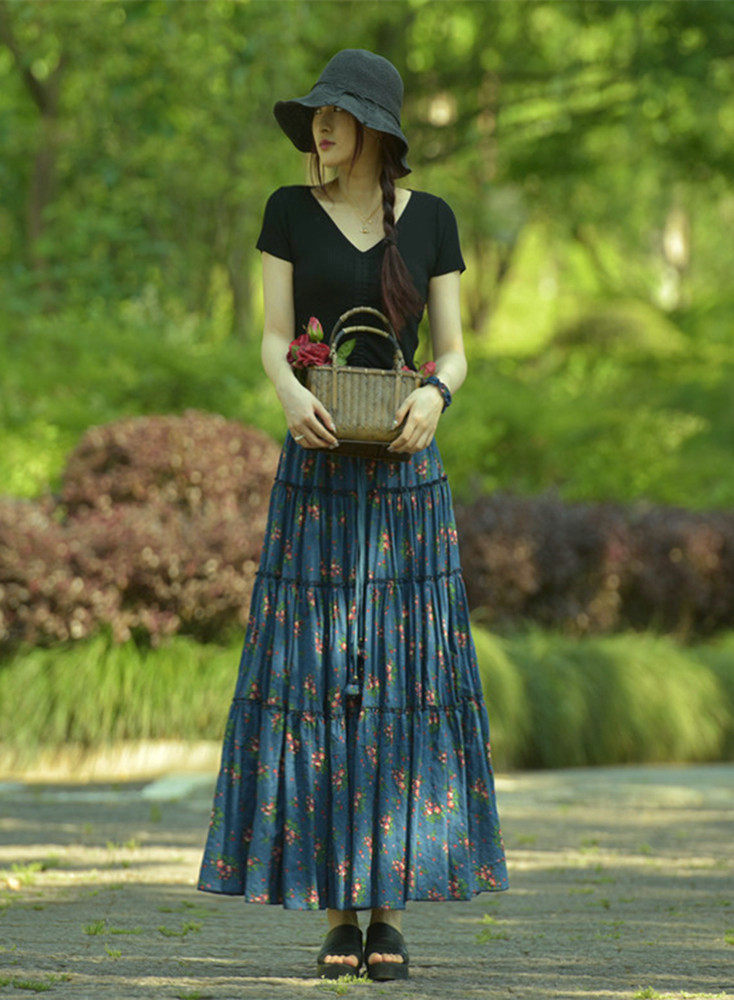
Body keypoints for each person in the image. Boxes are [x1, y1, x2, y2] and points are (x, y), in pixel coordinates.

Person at [196, 48, 509, 981]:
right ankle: (338, 917)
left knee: (400, 679)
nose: (321, 128)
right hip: (318, 475)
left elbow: (453, 351)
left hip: (407, 484)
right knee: (320, 678)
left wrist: (435, 398)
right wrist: (289, 393)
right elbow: (271, 336)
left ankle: (390, 913)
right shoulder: (287, 211)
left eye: (337, 115)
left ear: (378, 129)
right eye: (316, 116)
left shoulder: (434, 221)